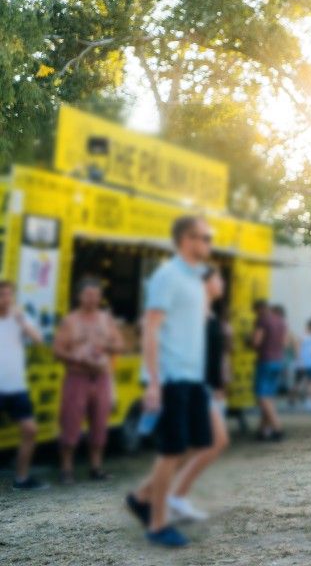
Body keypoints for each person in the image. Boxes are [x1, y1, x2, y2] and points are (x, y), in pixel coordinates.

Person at [126, 216, 214, 548]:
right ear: (183, 239)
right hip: (171, 378)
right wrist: (153, 383)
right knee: (171, 450)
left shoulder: (196, 280)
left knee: (197, 443)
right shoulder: (167, 275)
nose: (207, 242)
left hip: (193, 378)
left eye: (208, 237)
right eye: (201, 237)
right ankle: (158, 524)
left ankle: (142, 496)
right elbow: (151, 329)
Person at [167, 267, 231, 523]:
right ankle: (171, 496)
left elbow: (213, 356)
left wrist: (218, 385)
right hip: (194, 386)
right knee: (215, 441)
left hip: (206, 387)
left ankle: (164, 495)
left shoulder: (209, 313)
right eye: (217, 277)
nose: (221, 282)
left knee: (197, 445)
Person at [54, 277, 124, 483]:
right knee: (71, 422)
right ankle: (66, 469)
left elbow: (119, 345)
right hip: (77, 377)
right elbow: (58, 350)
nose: (92, 299)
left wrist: (106, 346)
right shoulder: (70, 320)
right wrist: (76, 356)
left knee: (100, 424)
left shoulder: (106, 319)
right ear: (79, 296)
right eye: (88, 295)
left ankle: (96, 467)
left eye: (96, 295)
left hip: (101, 377)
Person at [0, 279, 47, 490]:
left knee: (30, 430)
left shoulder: (19, 318)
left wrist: (22, 321)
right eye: (2, 294)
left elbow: (38, 340)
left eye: (8, 294)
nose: (5, 298)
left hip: (16, 386)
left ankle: (21, 479)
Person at [251, 300, 287, 441]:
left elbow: (256, 342)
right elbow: (284, 342)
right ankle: (263, 430)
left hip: (265, 360)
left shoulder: (263, 320)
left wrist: (250, 341)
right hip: (278, 360)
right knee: (269, 396)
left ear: (259, 309)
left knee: (262, 397)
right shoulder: (280, 320)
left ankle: (277, 428)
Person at [296, 317, 311, 411]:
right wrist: (300, 360)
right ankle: (292, 398)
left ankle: (310, 400)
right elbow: (298, 348)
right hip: (303, 362)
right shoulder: (302, 335)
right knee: (298, 382)